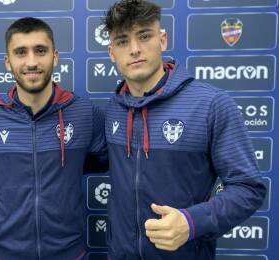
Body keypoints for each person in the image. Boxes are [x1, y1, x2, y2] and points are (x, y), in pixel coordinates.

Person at [102, 1, 266, 259]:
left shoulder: (211, 104)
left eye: (144, 36)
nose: (134, 49)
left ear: (162, 40)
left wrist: (192, 223)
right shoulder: (114, 108)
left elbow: (249, 188)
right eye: (122, 41)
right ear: (112, 52)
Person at [0, 17, 108, 259]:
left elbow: (102, 162)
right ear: (7, 62)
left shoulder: (85, 113)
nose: (31, 62)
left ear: (55, 56)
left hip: (69, 252)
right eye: (20, 52)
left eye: (40, 51)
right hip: (5, 253)